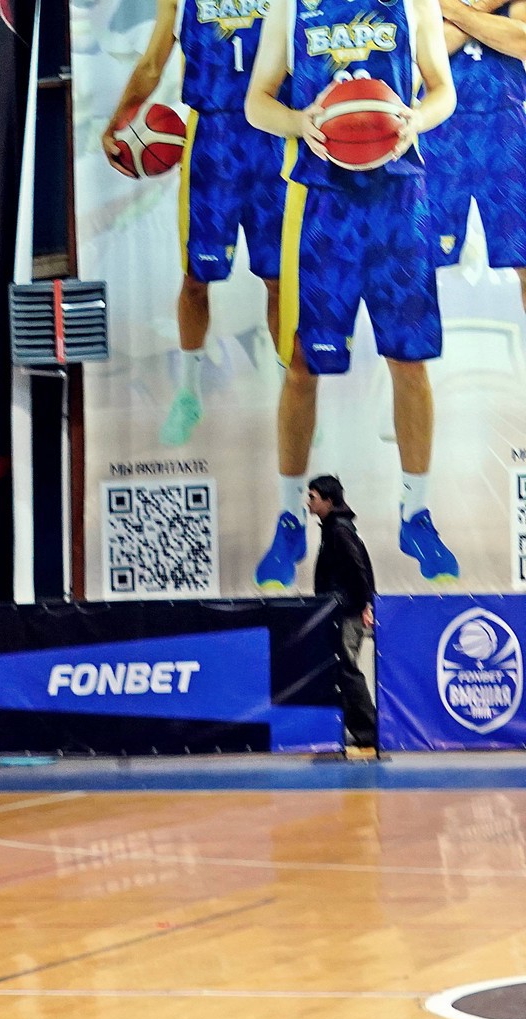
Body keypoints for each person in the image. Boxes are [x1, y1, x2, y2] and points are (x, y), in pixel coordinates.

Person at [248, 0, 457, 586]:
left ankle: (416, 514)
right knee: (301, 367)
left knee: (410, 364)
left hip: (398, 202)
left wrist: (416, 119)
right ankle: (290, 519)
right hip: (320, 205)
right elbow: (257, 101)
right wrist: (300, 122)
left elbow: (443, 91)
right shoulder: (291, 6)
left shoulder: (414, 2)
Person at [107, 0, 288, 447]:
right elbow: (153, 62)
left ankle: (294, 392)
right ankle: (189, 393)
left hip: (276, 141)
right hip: (211, 145)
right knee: (195, 280)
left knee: (280, 281)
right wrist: (118, 122)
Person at [430, 0, 526, 310]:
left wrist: (453, 10)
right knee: (415, 262)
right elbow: (419, 53)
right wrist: (484, 8)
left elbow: (522, 41)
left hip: (505, 126)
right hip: (434, 125)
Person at [308, 475, 378, 748]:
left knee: (347, 669)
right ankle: (360, 729)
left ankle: (369, 731)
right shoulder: (333, 528)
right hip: (341, 608)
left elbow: (358, 568)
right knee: (342, 669)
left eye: (312, 497)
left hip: (348, 611)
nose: (308, 502)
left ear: (328, 500)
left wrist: (365, 605)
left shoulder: (339, 530)